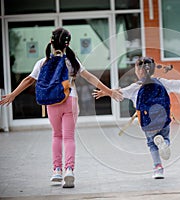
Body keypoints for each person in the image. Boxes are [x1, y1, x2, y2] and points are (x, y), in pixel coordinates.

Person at [0, 27, 123, 188]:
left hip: (52, 103)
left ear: (51, 43)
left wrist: (13, 95)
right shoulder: (72, 61)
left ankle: (57, 170)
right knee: (69, 137)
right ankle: (69, 170)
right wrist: (109, 91)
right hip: (70, 101)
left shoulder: (42, 62)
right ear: (68, 44)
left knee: (57, 136)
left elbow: (28, 80)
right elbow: (90, 77)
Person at [93, 56, 180, 179]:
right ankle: (165, 144)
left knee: (152, 144)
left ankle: (158, 168)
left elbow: (119, 92)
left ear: (138, 70)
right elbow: (178, 84)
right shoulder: (161, 81)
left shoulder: (135, 87)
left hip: (148, 123)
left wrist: (106, 92)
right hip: (164, 120)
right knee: (166, 137)